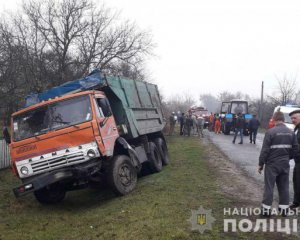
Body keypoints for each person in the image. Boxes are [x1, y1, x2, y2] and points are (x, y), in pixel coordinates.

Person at [258, 111, 298, 217]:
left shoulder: (270, 132)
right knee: (284, 187)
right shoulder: (291, 133)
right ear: (283, 120)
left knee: (269, 187)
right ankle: (284, 210)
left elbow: (265, 150)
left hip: (272, 164)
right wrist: (287, 158)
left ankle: (266, 211)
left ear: (275, 119)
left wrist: (261, 163)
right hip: (285, 164)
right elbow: (295, 149)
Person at [289, 110, 300, 209]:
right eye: (291, 118)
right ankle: (296, 203)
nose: (292, 120)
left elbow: (297, 146)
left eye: (294, 118)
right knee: (296, 181)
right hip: (297, 160)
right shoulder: (296, 128)